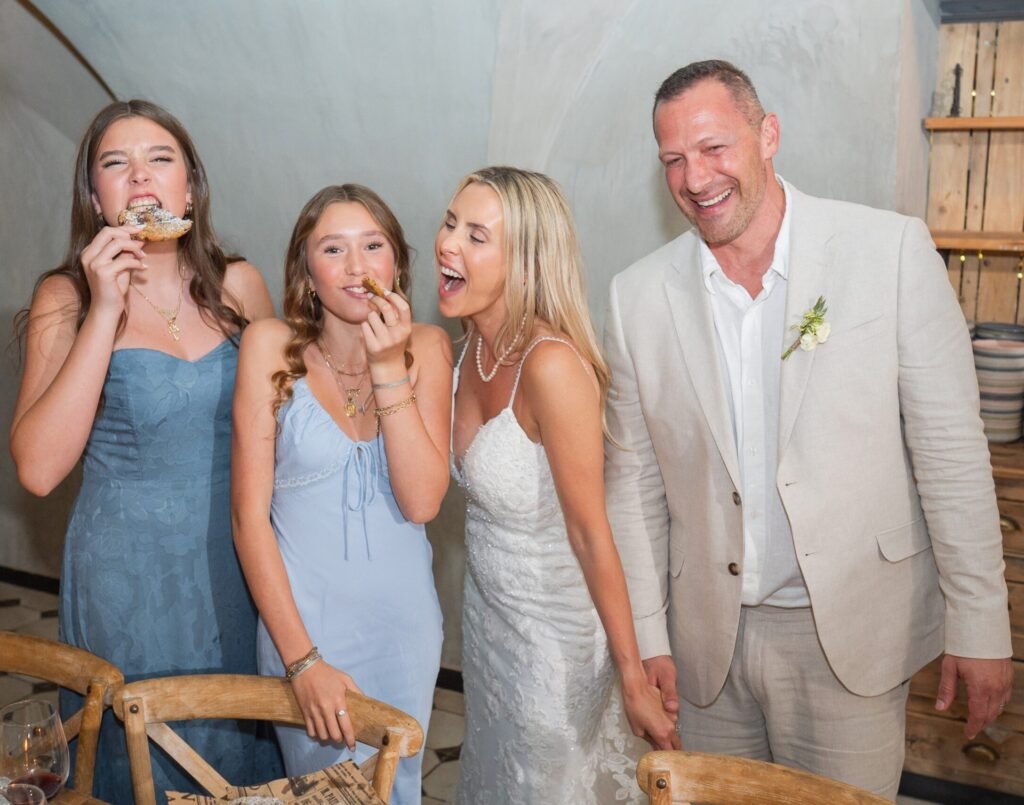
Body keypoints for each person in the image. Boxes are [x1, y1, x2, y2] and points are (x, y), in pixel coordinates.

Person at [603, 59, 1013, 799]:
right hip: (705, 648)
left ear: (768, 135)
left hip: (848, 638)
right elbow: (633, 485)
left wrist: (981, 625)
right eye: (673, 159)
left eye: (713, 147)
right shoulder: (637, 298)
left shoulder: (887, 251)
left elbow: (951, 452)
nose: (695, 178)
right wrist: (646, 638)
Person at [10, 100, 281, 802]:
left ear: (188, 188)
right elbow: (38, 470)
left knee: (237, 753)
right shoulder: (65, 297)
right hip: (127, 577)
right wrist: (105, 309)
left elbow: (285, 431)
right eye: (115, 164)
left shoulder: (240, 285)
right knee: (139, 763)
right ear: (96, 198)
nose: (139, 178)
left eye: (159, 159)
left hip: (237, 560)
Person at [438, 166, 678, 805]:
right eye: (450, 223)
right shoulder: (466, 349)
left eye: (477, 235)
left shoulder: (552, 366)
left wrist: (633, 675)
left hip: (554, 637)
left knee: (545, 784)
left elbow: (590, 531)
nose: (448, 244)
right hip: (491, 622)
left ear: (524, 260)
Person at [231, 184, 448, 804]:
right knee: (321, 794)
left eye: (372, 245)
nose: (357, 267)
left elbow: (422, 503)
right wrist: (302, 661)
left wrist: (387, 366)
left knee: (396, 791)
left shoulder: (428, 348)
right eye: (334, 248)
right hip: (305, 630)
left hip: (404, 629)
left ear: (396, 264)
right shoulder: (269, 346)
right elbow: (249, 520)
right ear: (307, 269)